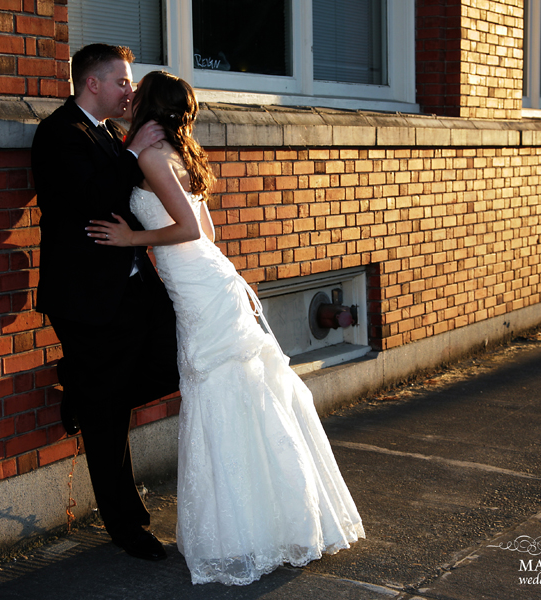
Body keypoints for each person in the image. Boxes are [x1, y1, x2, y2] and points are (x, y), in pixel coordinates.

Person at [86, 71, 365, 586]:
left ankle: (245, 530)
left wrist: (131, 240)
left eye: (137, 92)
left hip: (198, 289)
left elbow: (190, 229)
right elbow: (208, 233)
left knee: (219, 390)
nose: (130, 97)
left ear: (149, 104)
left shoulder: (151, 156)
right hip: (210, 279)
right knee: (242, 392)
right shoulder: (178, 153)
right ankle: (275, 519)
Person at [30, 45, 180, 562]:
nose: (129, 91)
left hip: (135, 288)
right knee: (108, 418)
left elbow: (133, 198)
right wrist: (134, 151)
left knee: (177, 361)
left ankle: (82, 390)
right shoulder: (58, 134)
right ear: (92, 83)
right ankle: (125, 525)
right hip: (86, 300)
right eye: (122, 82)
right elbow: (94, 199)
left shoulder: (112, 134)